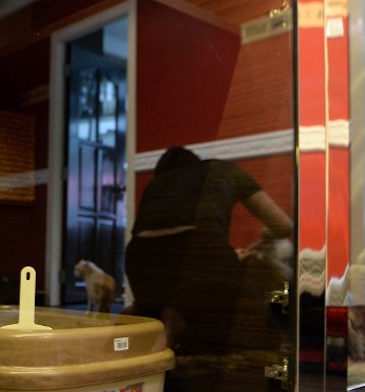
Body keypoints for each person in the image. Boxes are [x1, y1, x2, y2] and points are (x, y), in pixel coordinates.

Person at [125, 146, 292, 351]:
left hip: (140, 262)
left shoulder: (156, 184)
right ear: (196, 162)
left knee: (169, 314)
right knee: (263, 331)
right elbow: (284, 226)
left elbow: (160, 239)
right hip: (200, 254)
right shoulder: (222, 169)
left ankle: (162, 315)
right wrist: (267, 234)